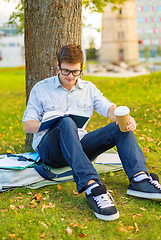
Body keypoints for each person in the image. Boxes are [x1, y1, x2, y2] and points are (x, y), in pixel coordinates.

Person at [23, 44, 161, 221]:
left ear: (81, 68)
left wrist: (125, 118)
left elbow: (109, 108)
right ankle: (92, 186)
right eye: (66, 71)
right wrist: (49, 123)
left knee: (119, 125)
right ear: (58, 65)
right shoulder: (41, 88)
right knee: (65, 122)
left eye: (75, 72)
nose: (70, 77)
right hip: (52, 151)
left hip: (79, 148)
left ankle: (139, 179)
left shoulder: (88, 88)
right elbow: (28, 125)